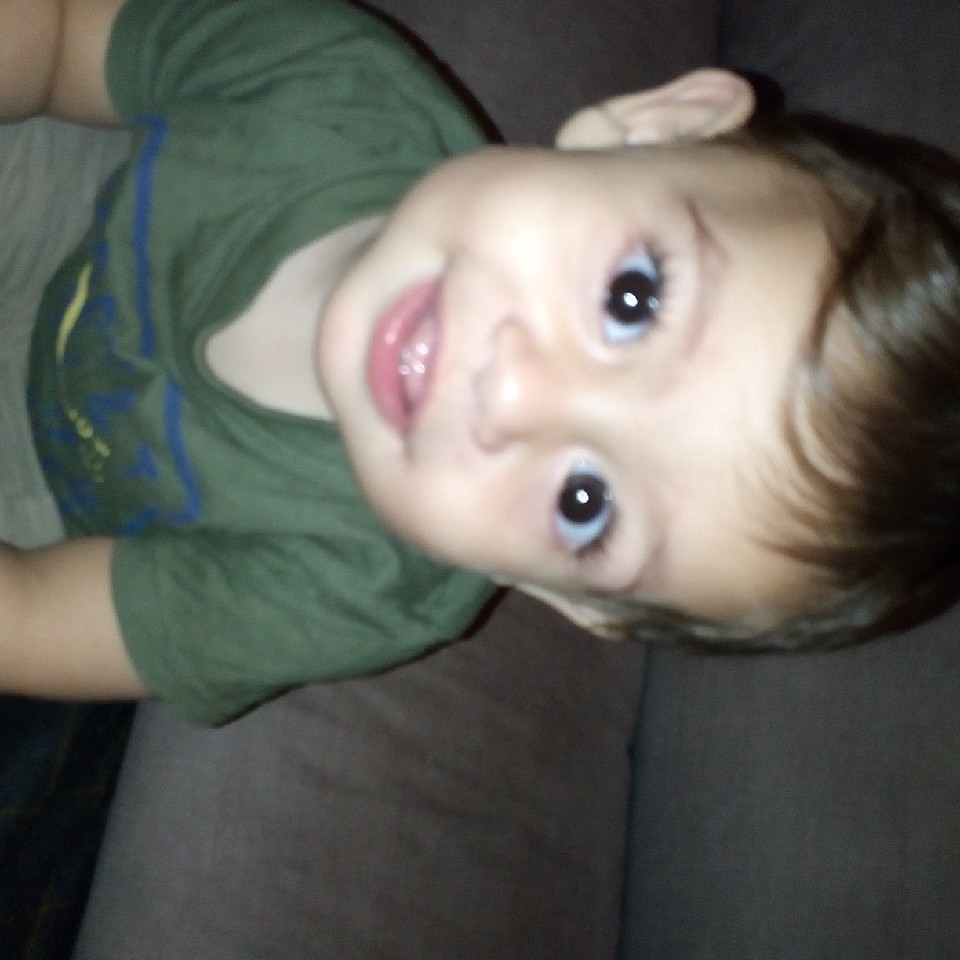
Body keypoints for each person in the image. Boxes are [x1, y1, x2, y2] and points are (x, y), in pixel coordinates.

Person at [1, 0, 959, 726]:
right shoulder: (329, 88)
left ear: (565, 594)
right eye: (631, 300)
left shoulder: (353, 590)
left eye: (584, 502)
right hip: (68, 184)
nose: (515, 395)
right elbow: (54, 39)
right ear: (653, 129)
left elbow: (33, 617)